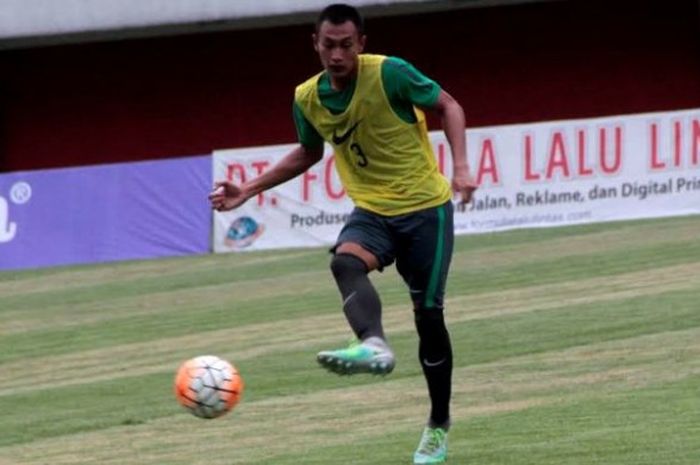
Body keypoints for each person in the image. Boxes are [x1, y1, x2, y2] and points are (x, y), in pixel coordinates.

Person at [209, 4, 477, 464]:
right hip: (372, 210)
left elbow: (448, 105)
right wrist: (249, 188)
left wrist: (462, 167)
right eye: (328, 45)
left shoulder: (390, 74)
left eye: (346, 46)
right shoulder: (306, 97)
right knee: (344, 261)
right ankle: (373, 343)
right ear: (315, 43)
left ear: (361, 45)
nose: (336, 55)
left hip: (425, 211)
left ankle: (437, 425)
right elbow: (308, 153)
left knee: (429, 317)